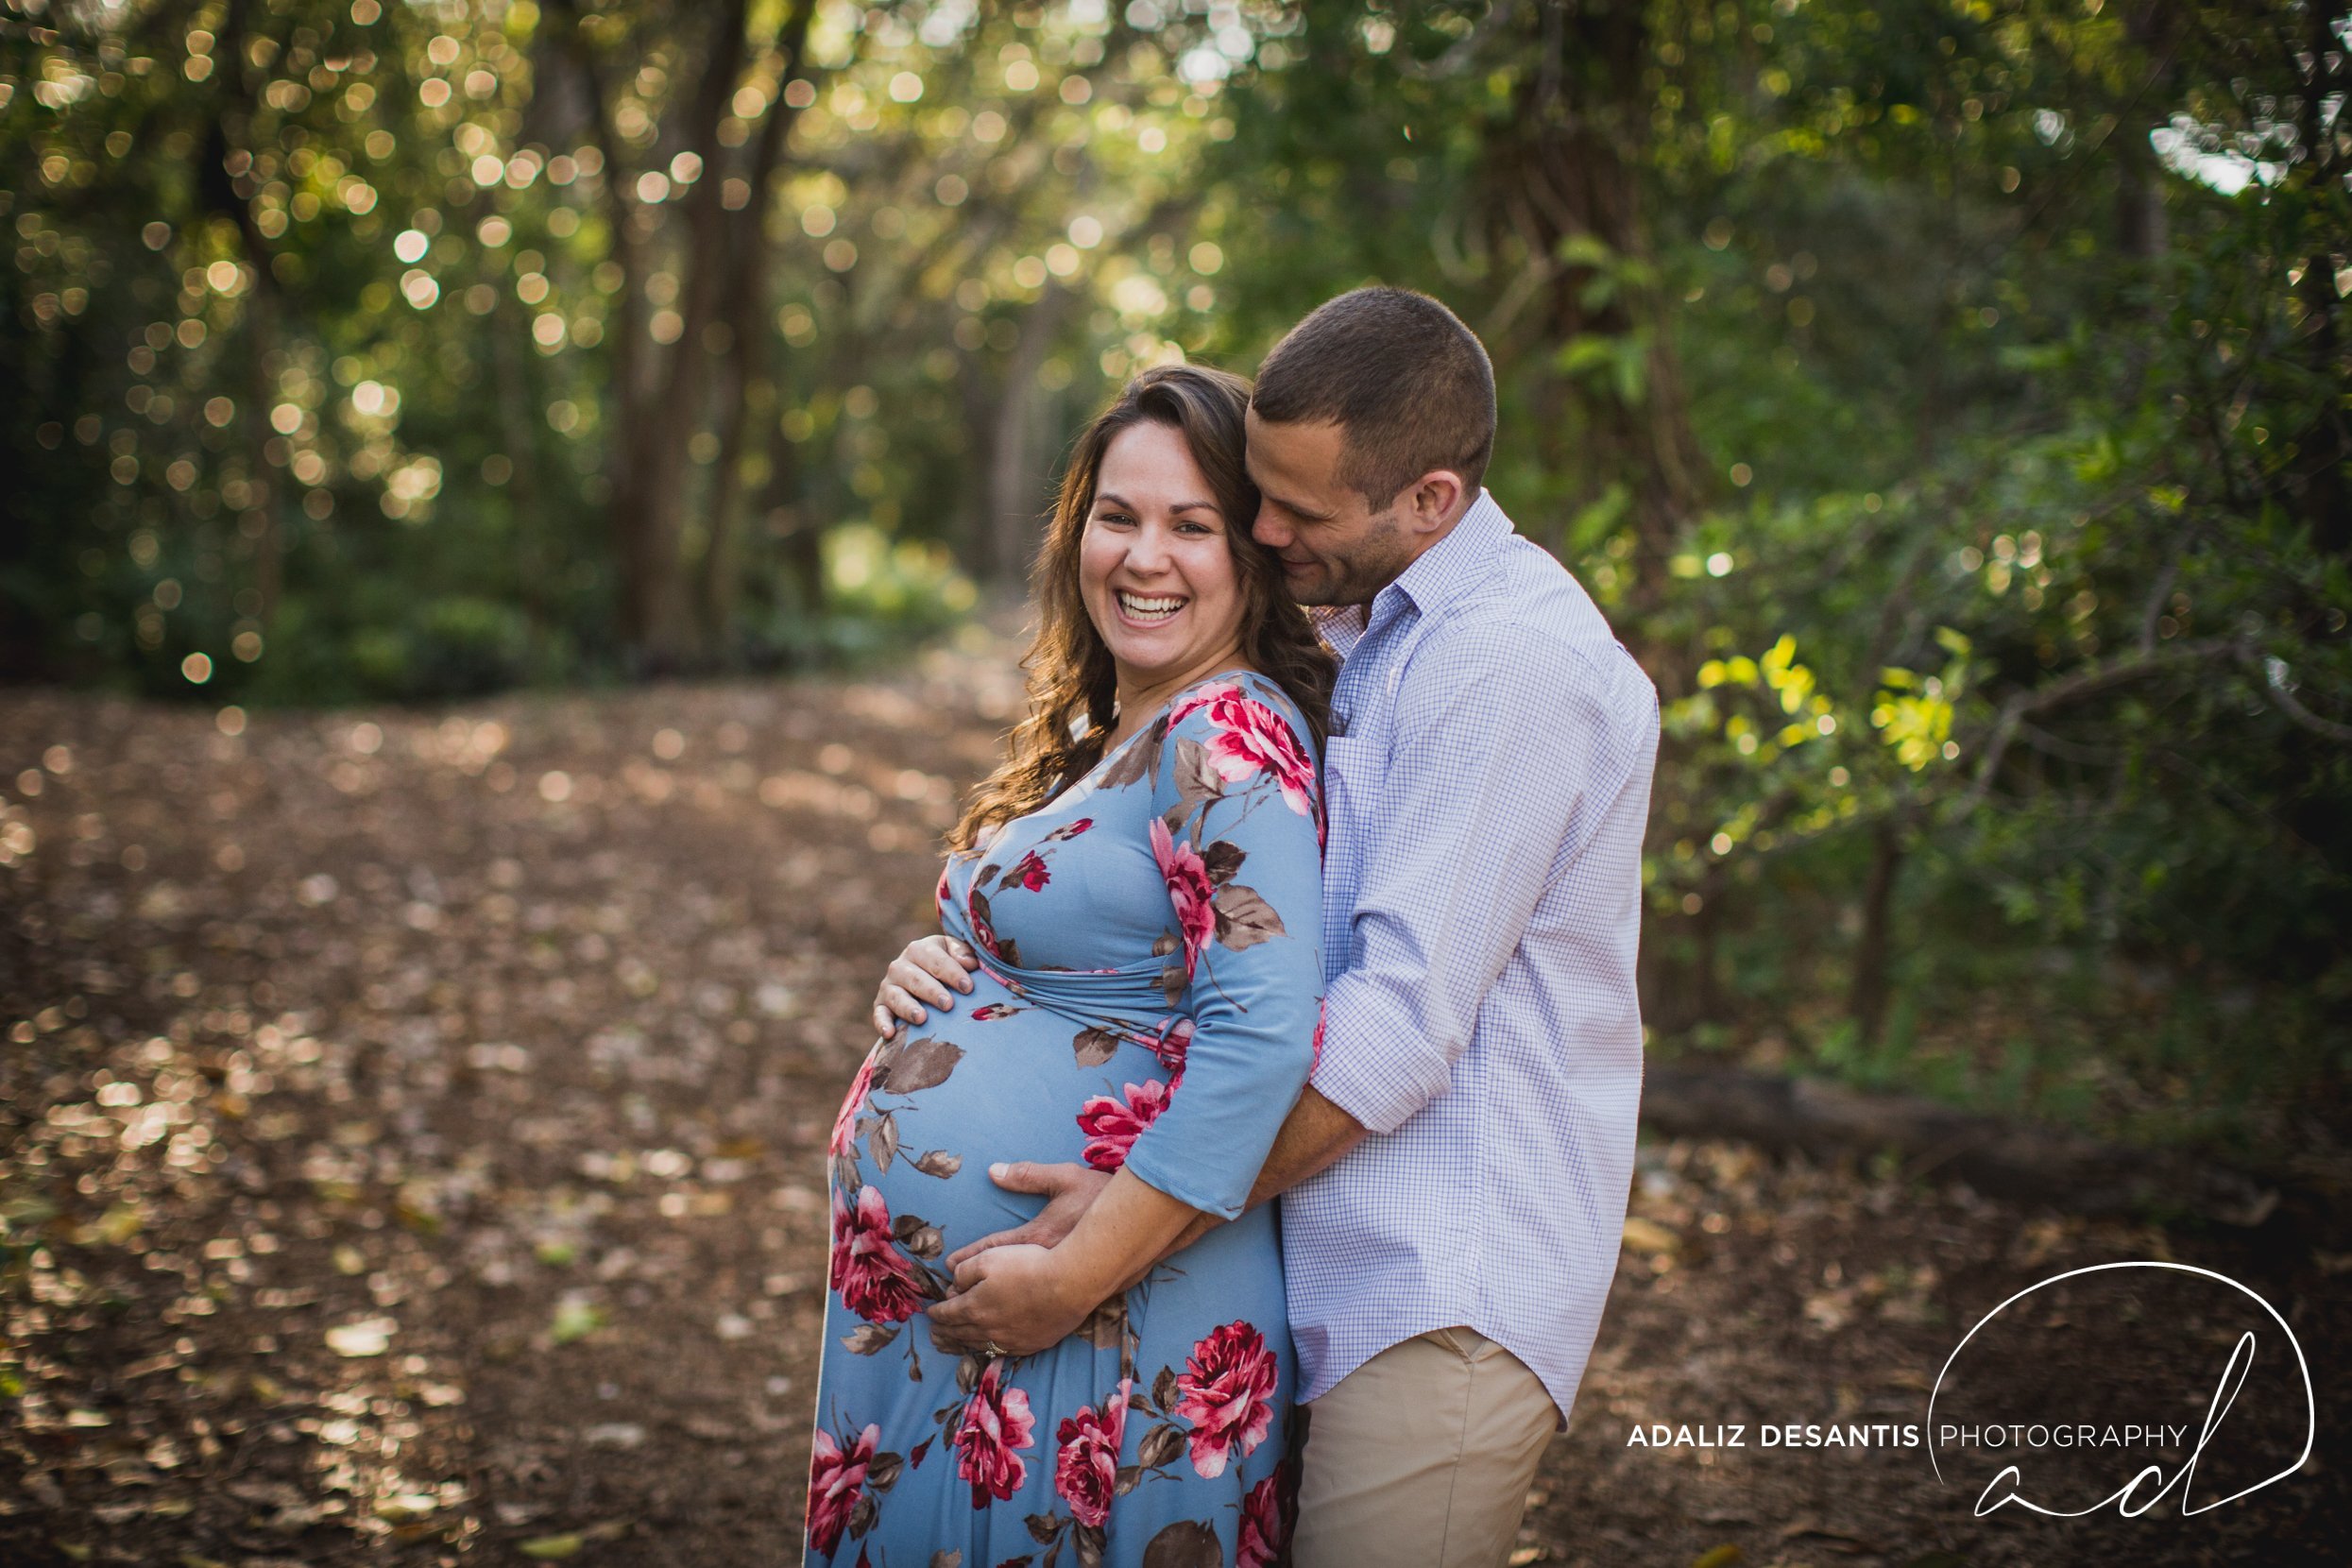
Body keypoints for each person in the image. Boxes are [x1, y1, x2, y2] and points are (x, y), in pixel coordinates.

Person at [875, 287, 1661, 1567]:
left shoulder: (1509, 664)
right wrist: (981, 976)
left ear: (1431, 500)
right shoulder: (1374, 630)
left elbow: (1395, 1027)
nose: (1264, 529)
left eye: (1295, 509)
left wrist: (1110, 1237)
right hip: (1305, 1252)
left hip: (1434, 1282)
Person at [807, 364, 1333, 1565]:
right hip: (1018, 1337)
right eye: (1117, 516)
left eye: (1192, 525)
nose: (1146, 557)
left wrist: (1076, 1276)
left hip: (1105, 1321)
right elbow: (1096, 956)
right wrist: (946, 974)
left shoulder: (1225, 731)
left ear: (1251, 555)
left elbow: (1264, 1036)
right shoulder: (1122, 730)